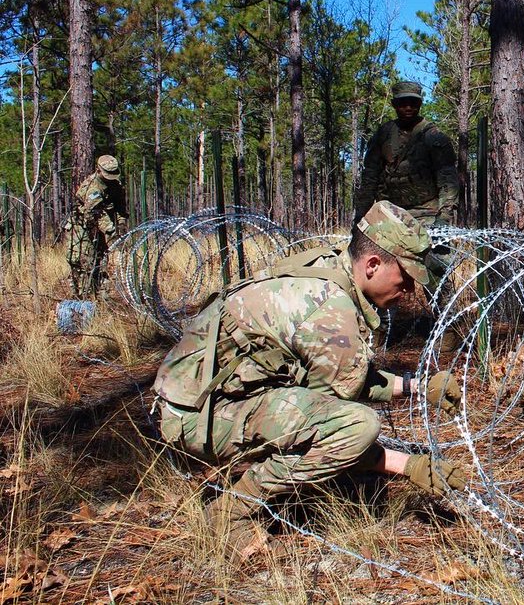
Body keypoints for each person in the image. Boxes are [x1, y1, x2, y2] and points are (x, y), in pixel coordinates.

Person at [153, 202, 465, 559]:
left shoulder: (329, 266)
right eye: (405, 277)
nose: (410, 289)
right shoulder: (332, 312)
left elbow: (349, 379)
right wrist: (407, 465)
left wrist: (417, 388)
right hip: (197, 416)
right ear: (373, 265)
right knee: (358, 425)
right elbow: (337, 426)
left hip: (203, 394)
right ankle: (231, 511)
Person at [353, 81, 460, 226]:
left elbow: (448, 179)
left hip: (428, 212)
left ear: (420, 104)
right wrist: (361, 216)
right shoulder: (383, 135)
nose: (408, 107)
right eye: (403, 103)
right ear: (394, 104)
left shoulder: (434, 137)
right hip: (390, 213)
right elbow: (370, 177)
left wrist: (443, 218)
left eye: (413, 103)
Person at [65, 154, 128, 298]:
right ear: (99, 171)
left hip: (102, 228)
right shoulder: (93, 187)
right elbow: (96, 213)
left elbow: (121, 208)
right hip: (82, 227)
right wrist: (111, 231)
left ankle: (100, 297)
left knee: (100, 261)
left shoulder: (116, 185)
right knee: (83, 262)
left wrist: (122, 227)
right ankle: (81, 299)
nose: (110, 177)